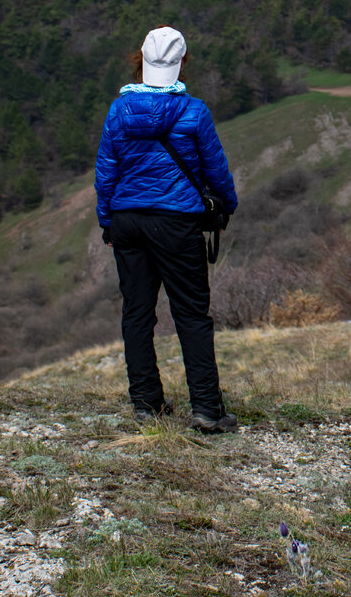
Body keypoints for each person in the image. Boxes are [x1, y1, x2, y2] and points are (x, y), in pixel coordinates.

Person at [95, 25, 239, 433]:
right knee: (191, 314)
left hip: (127, 220)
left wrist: (107, 221)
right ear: (181, 62)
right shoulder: (194, 111)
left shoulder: (118, 111)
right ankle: (207, 409)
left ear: (141, 60)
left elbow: (106, 173)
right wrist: (226, 205)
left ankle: (146, 405)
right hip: (176, 223)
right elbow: (215, 169)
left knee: (137, 314)